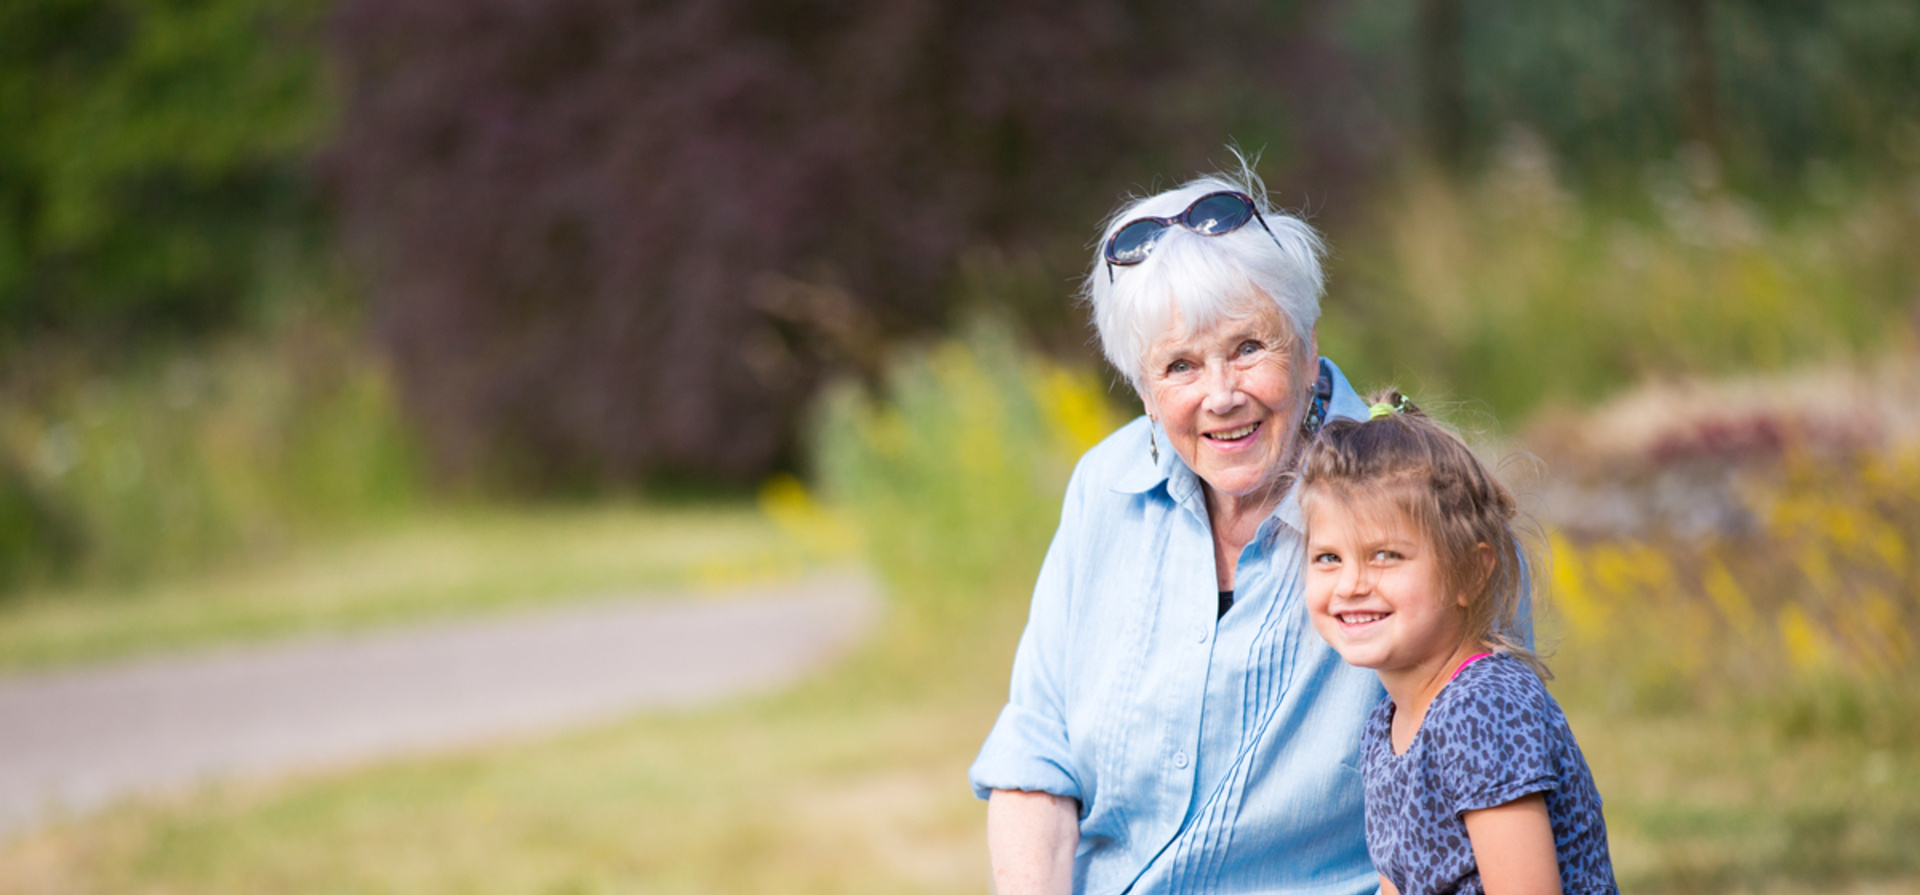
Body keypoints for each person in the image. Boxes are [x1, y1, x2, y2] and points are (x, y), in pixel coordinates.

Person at [968, 163, 1385, 894]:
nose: (1221, 395)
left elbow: (1474, 781)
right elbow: (1039, 753)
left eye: (1249, 348)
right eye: (1181, 365)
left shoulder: (1412, 498)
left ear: (1308, 342)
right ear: (1143, 386)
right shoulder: (1105, 488)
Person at [1298, 393, 1618, 895]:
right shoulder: (1384, 728)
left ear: (1470, 571)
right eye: (1328, 558)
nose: (1350, 584)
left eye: (1385, 555)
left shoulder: (1482, 705)